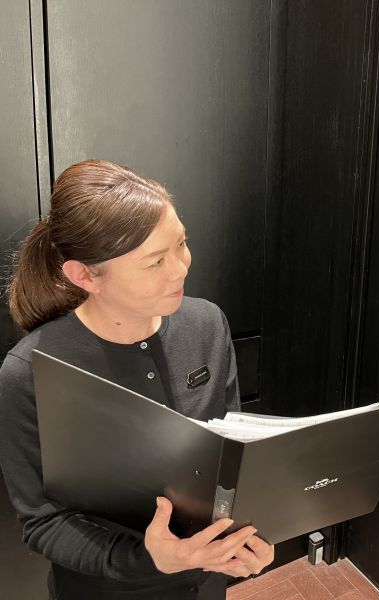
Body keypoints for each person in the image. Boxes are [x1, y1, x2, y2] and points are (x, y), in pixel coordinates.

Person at [0, 160, 274, 599]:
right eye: (155, 261)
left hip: (206, 584)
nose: (180, 268)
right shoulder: (28, 372)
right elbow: (43, 521)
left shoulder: (207, 324)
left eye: (181, 244)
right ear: (85, 275)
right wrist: (149, 560)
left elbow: (231, 458)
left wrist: (246, 539)